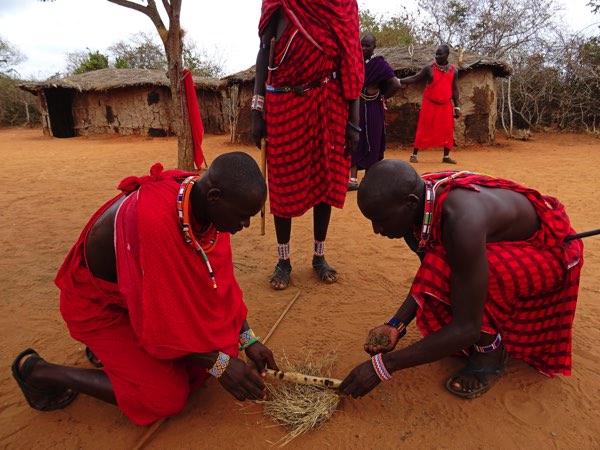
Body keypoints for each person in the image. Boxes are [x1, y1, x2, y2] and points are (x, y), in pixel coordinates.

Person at [11, 153, 279, 426]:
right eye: (244, 216)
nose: (245, 225)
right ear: (214, 196)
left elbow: (218, 284)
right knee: (166, 396)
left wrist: (247, 338)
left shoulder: (203, 206)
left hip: (137, 301)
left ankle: (120, 360)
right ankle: (39, 373)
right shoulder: (154, 222)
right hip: (103, 310)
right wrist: (219, 364)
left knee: (215, 356)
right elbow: (157, 323)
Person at [339, 160, 583, 399]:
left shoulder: (461, 223)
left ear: (410, 203)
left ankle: (490, 353)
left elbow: (467, 328)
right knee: (448, 266)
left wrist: (383, 366)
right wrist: (396, 324)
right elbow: (429, 271)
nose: (376, 230)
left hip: (549, 252)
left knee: (459, 275)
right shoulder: (420, 200)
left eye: (381, 220)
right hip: (495, 243)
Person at [252, 0, 364, 290]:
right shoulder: (279, 4)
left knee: (325, 182)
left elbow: (351, 60)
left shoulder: (341, 6)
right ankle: (283, 260)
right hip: (283, 102)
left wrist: (354, 121)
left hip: (330, 101)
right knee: (283, 184)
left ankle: (319, 255)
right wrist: (256, 109)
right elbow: (264, 52)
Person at [348, 33, 401, 191]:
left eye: (367, 46)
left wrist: (382, 97)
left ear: (374, 47)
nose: (363, 48)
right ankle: (352, 179)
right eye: (362, 45)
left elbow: (395, 84)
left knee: (373, 139)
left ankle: (369, 179)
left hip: (372, 108)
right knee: (355, 138)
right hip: (355, 107)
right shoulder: (354, 61)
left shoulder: (379, 64)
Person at [400, 44, 460, 164]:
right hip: (430, 103)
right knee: (424, 127)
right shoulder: (429, 69)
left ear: (447, 55)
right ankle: (414, 154)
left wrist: (457, 106)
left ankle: (446, 156)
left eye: (440, 54)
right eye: (436, 54)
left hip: (446, 105)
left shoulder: (454, 71)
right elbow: (415, 78)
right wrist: (399, 81)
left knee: (448, 129)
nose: (437, 56)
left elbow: (454, 89)